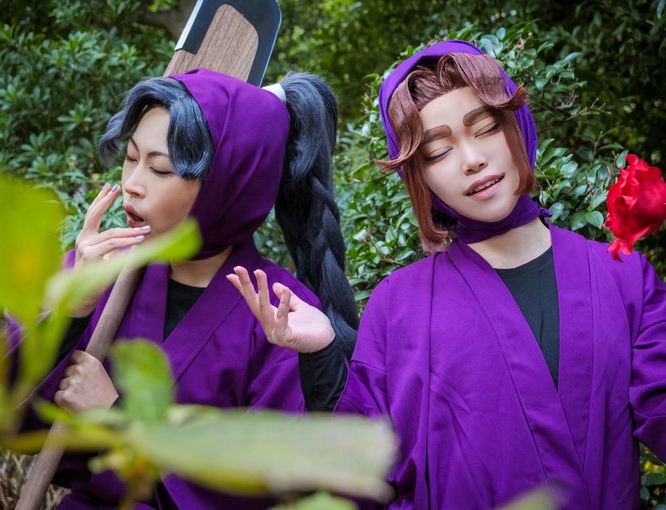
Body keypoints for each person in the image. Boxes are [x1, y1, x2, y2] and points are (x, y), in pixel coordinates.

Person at [229, 40, 666, 509]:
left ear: (517, 124)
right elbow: (361, 475)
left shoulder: (624, 277)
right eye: (437, 152)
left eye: (486, 128)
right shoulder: (397, 305)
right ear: (419, 176)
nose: (471, 159)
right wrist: (321, 353)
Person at [0, 68, 358, 508]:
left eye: (160, 168)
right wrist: (70, 314)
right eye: (131, 158)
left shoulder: (282, 311)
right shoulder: (100, 268)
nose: (132, 183)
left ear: (229, 188)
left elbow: (274, 479)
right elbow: (4, 409)